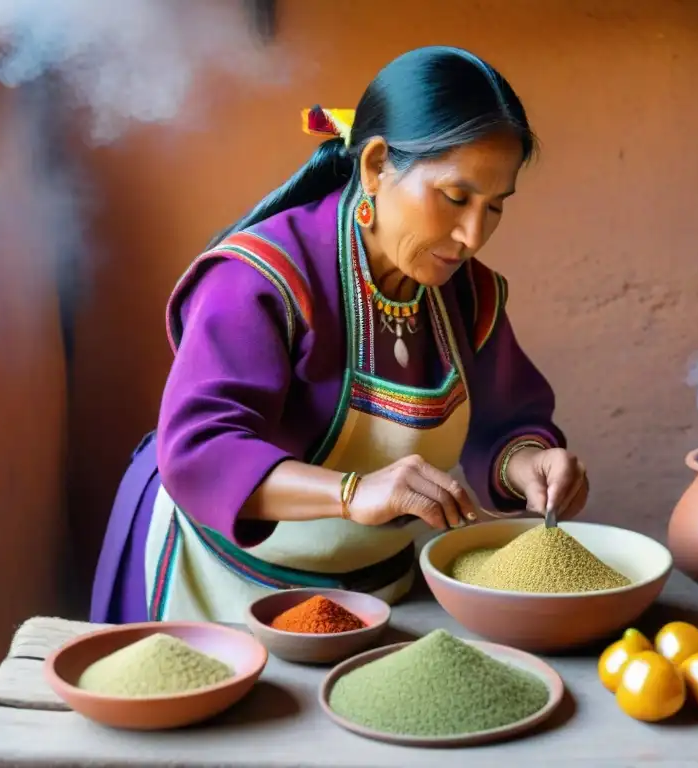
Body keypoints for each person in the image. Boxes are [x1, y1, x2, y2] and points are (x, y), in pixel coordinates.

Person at [90, 45, 590, 625]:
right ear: (376, 165)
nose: (473, 234)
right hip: (213, 584)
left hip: (376, 595)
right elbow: (203, 451)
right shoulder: (259, 281)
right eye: (455, 198)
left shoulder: (467, 294)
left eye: (495, 207)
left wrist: (528, 461)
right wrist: (353, 492)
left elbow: (506, 421)